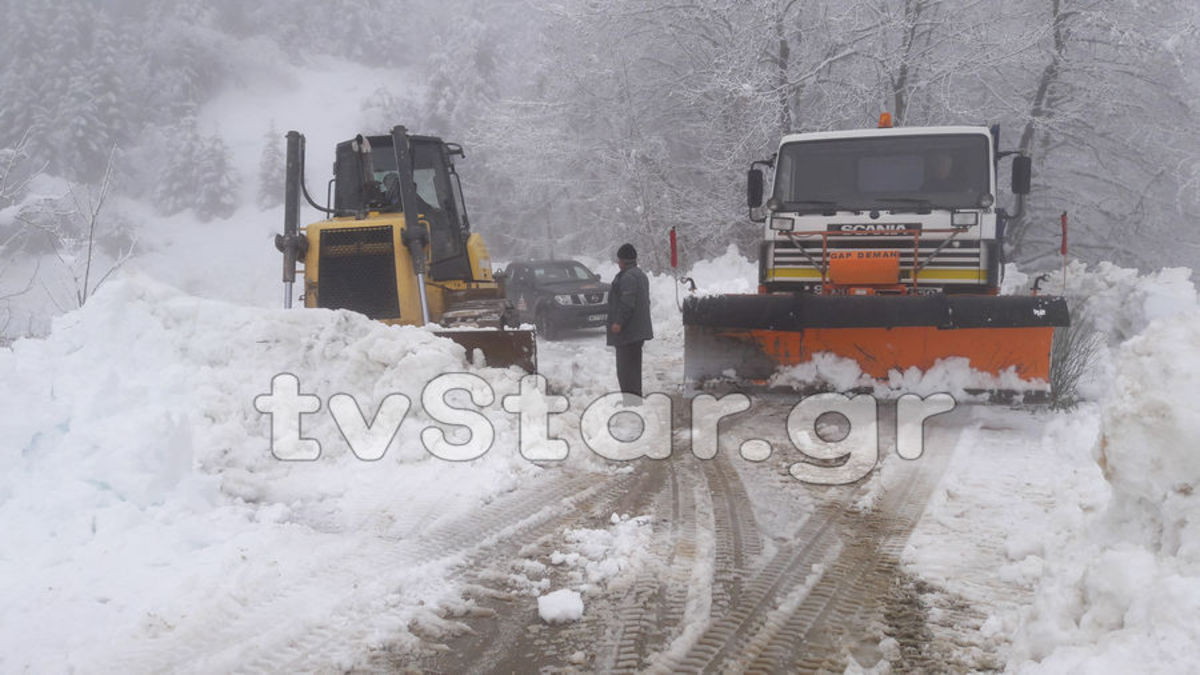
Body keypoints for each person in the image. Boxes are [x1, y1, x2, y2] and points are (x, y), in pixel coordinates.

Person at [607, 243, 653, 398]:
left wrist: (618, 322)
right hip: (637, 331)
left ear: (623, 260)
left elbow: (627, 303)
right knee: (634, 367)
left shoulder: (628, 277)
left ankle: (631, 401)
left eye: (619, 260)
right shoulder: (640, 275)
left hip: (628, 332)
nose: (618, 263)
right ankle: (635, 399)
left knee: (625, 370)